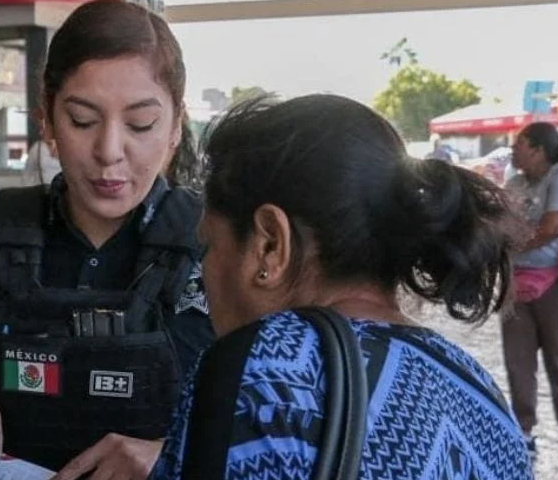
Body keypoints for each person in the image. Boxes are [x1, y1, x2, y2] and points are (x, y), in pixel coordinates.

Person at [0, 0, 215, 480]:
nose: (109, 152)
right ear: (47, 122)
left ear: (177, 125)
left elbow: (262, 429)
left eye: (141, 124)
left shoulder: (217, 247)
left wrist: (170, 458)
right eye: (82, 120)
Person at [151, 94, 533, 480]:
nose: (203, 269)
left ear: (270, 244)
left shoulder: (267, 371)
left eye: (210, 245)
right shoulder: (479, 391)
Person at [503, 121, 558, 461]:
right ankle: (523, 430)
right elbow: (498, 224)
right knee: (518, 361)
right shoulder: (514, 182)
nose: (514, 150)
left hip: (556, 281)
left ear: (538, 148)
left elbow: (556, 226)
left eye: (520, 144)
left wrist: (515, 241)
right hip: (516, 281)